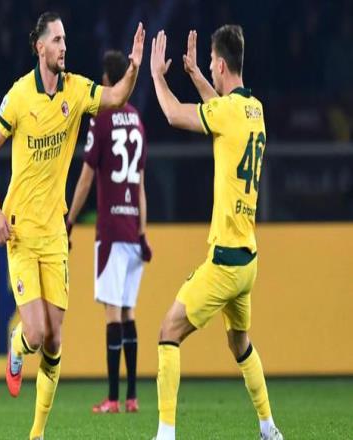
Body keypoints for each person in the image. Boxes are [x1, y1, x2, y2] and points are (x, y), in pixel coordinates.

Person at [0, 11, 144, 439]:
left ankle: (36, 434)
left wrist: (134, 67)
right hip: (20, 231)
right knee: (35, 333)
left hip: (55, 233)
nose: (64, 47)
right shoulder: (19, 96)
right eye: (56, 40)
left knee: (55, 342)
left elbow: (116, 97)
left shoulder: (76, 89)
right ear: (40, 47)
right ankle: (17, 345)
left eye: (65, 39)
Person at [149, 26, 283, 440]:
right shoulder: (255, 110)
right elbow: (223, 109)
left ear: (222, 65)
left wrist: (157, 76)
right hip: (248, 261)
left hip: (224, 261)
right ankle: (269, 428)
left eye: (210, 62)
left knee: (168, 332)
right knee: (240, 344)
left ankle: (165, 434)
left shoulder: (228, 113)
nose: (209, 66)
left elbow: (174, 114)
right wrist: (193, 74)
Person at [66, 50, 151, 414]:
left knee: (113, 314)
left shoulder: (101, 121)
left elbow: (86, 178)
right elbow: (141, 184)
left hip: (112, 231)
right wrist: (143, 232)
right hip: (133, 230)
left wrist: (69, 220)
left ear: (107, 82)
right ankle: (131, 396)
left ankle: (113, 398)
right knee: (129, 312)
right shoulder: (138, 122)